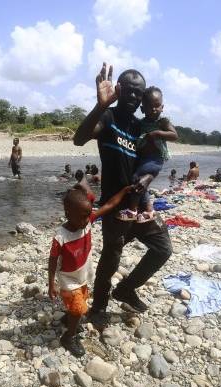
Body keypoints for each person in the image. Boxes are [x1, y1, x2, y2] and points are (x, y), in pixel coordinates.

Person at [73, 63, 173, 329]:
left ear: (143, 98)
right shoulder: (108, 119)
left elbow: (155, 160)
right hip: (115, 207)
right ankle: (99, 306)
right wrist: (101, 106)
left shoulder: (143, 128)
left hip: (139, 205)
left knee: (163, 249)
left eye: (137, 93)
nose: (132, 96)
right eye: (128, 90)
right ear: (119, 89)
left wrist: (148, 179)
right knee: (111, 256)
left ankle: (126, 289)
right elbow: (79, 139)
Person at [48, 184, 132, 356]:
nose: (87, 220)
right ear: (68, 213)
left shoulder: (86, 221)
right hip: (68, 279)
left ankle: (68, 317)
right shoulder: (60, 237)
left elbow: (109, 205)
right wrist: (51, 284)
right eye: (82, 217)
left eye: (88, 215)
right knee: (80, 309)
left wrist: (123, 191)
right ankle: (68, 337)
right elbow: (52, 261)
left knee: (80, 302)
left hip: (84, 274)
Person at [118, 86, 178, 222]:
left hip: (155, 159)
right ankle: (149, 211)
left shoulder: (163, 122)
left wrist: (157, 133)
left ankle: (132, 210)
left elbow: (174, 135)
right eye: (150, 106)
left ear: (162, 107)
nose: (154, 109)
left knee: (137, 179)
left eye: (157, 106)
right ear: (143, 109)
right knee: (141, 184)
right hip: (143, 159)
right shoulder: (141, 123)